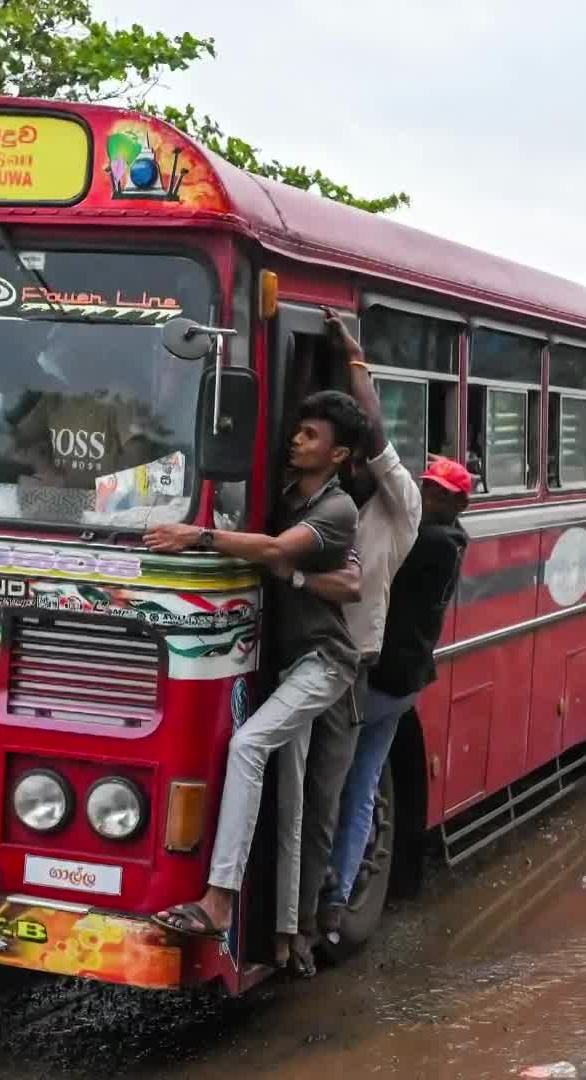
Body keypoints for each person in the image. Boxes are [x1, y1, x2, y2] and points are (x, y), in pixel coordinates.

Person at [145, 391, 366, 967]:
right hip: (290, 660)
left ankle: (219, 903)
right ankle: (286, 936)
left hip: (326, 662)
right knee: (289, 803)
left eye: (311, 436)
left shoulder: (337, 509)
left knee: (248, 745)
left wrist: (196, 538)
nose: (297, 439)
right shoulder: (291, 494)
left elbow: (274, 550)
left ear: (338, 454)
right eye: (298, 430)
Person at [281, 311, 421, 971]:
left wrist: (358, 362)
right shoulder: (320, 502)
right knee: (302, 791)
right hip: (296, 653)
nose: (363, 461)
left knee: (328, 796)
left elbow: (377, 435)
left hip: (347, 667)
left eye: (363, 455)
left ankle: (316, 917)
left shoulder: (398, 510)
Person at [320, 456, 470, 937]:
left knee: (334, 779)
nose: (426, 497)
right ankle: (340, 897)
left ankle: (324, 888)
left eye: (438, 493)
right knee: (362, 786)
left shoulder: (432, 541)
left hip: (385, 681)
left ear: (456, 502)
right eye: (424, 487)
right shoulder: (445, 537)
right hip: (404, 682)